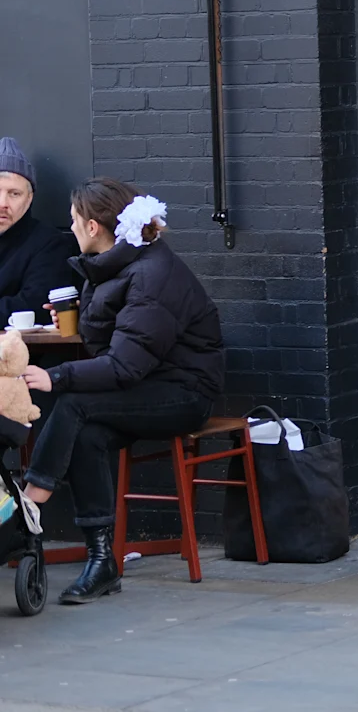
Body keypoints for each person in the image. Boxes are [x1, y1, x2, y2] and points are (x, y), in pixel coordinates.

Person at [19, 178, 224, 605]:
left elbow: (125, 365)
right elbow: (120, 343)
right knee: (87, 433)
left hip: (184, 394)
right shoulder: (121, 263)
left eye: (74, 220)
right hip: (147, 387)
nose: (70, 227)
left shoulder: (152, 275)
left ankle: (30, 503)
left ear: (93, 227)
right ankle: (102, 561)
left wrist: (56, 376)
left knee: (72, 402)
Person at [0, 138, 78, 323]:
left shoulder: (49, 244)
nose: (3, 204)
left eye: (14, 194)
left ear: (29, 199)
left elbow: (34, 305)